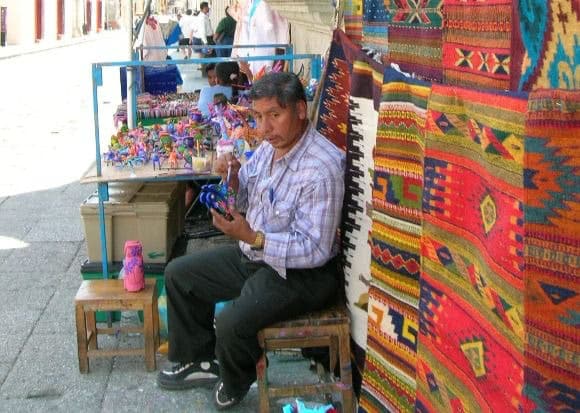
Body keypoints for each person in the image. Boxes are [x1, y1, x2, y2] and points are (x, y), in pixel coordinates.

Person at [156, 72, 345, 411]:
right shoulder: (268, 150)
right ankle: (199, 360)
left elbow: (315, 249)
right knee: (179, 275)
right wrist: (229, 178)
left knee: (231, 322)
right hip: (256, 254)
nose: (265, 126)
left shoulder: (323, 166)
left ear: (301, 110)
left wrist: (252, 236)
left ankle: (236, 379)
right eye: (258, 117)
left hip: (303, 275)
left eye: (274, 115)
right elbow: (244, 191)